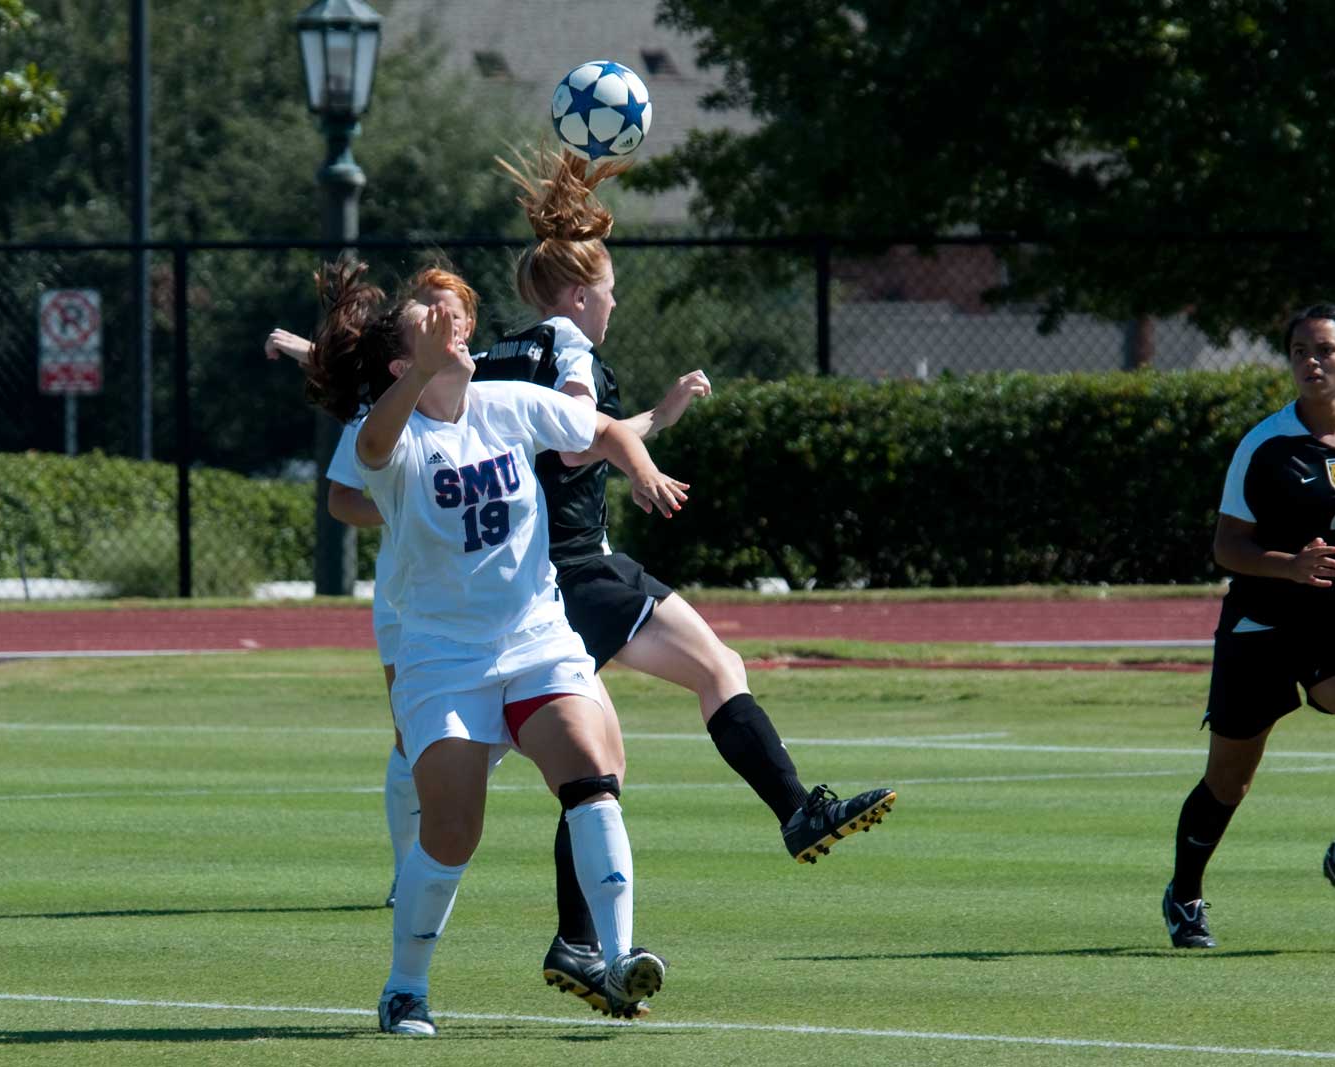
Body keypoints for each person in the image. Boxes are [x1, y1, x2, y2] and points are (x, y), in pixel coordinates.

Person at [490, 146, 896, 1003]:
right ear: (578, 294)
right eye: (608, 290)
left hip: (530, 580)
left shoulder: (503, 352)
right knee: (716, 668)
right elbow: (577, 440)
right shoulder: (570, 345)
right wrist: (640, 453)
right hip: (581, 567)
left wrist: (651, 420)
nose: (613, 303)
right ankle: (797, 811)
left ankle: (576, 941)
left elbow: (562, 438)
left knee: (598, 773)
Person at [302, 258, 687, 1032]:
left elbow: (602, 429)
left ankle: (617, 958)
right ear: (403, 365)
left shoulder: (506, 403)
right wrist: (422, 370)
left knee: (591, 774)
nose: (452, 328)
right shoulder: (396, 436)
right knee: (452, 831)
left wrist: (641, 464)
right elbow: (370, 448)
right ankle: (405, 986)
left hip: (535, 641)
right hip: (443, 659)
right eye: (429, 326)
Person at [1162, 303, 1335, 949]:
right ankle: (1184, 895)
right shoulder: (1266, 446)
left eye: (1325, 350)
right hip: (1261, 629)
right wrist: (1289, 566)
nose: (1311, 361)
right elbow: (1227, 547)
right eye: (1300, 350)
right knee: (1229, 781)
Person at [266, 266, 483, 911]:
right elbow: (341, 497)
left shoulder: (488, 394)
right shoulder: (379, 414)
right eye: (428, 313)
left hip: (492, 606)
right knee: (412, 736)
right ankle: (408, 868)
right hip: (406, 601)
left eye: (452, 314)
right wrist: (401, 508)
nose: (443, 324)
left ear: (469, 325)